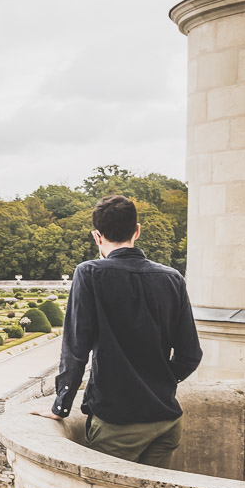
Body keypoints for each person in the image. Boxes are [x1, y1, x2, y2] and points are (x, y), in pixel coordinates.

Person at [49, 194, 202, 469]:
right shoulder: (172, 277)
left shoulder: (89, 273)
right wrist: (157, 383)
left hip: (118, 423)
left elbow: (75, 351)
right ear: (137, 230)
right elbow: (190, 355)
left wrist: (60, 406)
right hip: (166, 421)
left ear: (97, 236)